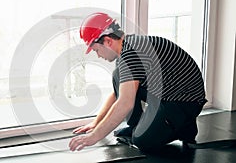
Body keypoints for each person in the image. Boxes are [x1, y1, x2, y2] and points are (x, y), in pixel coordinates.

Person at [69, 12, 207, 151]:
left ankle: (184, 127)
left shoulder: (130, 54)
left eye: (96, 49)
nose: (98, 55)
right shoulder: (128, 47)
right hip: (168, 93)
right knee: (118, 76)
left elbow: (125, 103)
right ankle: (139, 126)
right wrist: (96, 123)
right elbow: (118, 94)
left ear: (108, 41)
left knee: (141, 141)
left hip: (184, 102)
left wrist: (93, 137)